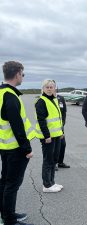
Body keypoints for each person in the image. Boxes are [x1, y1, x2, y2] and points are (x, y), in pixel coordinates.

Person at [0, 61, 35, 225]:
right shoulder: (10, 96)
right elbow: (17, 126)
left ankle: (6, 213)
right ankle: (9, 220)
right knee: (12, 185)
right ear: (17, 74)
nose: (23, 77)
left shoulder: (1, 93)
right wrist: (27, 149)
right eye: (23, 74)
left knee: (5, 182)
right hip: (15, 149)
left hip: (4, 147)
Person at [35, 79, 64, 193]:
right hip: (48, 137)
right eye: (47, 87)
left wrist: (61, 132)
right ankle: (46, 185)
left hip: (56, 135)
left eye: (51, 87)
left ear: (54, 88)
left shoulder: (54, 99)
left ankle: (52, 182)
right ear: (43, 88)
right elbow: (41, 121)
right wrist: (47, 136)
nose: (49, 89)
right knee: (48, 160)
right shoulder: (41, 101)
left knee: (54, 159)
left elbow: (58, 119)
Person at [55, 87, 70, 169]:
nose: (51, 88)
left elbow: (64, 112)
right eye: (49, 87)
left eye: (53, 87)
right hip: (51, 128)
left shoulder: (61, 98)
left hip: (60, 127)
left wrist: (63, 122)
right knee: (53, 146)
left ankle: (60, 162)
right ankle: (53, 164)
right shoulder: (46, 99)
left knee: (62, 144)